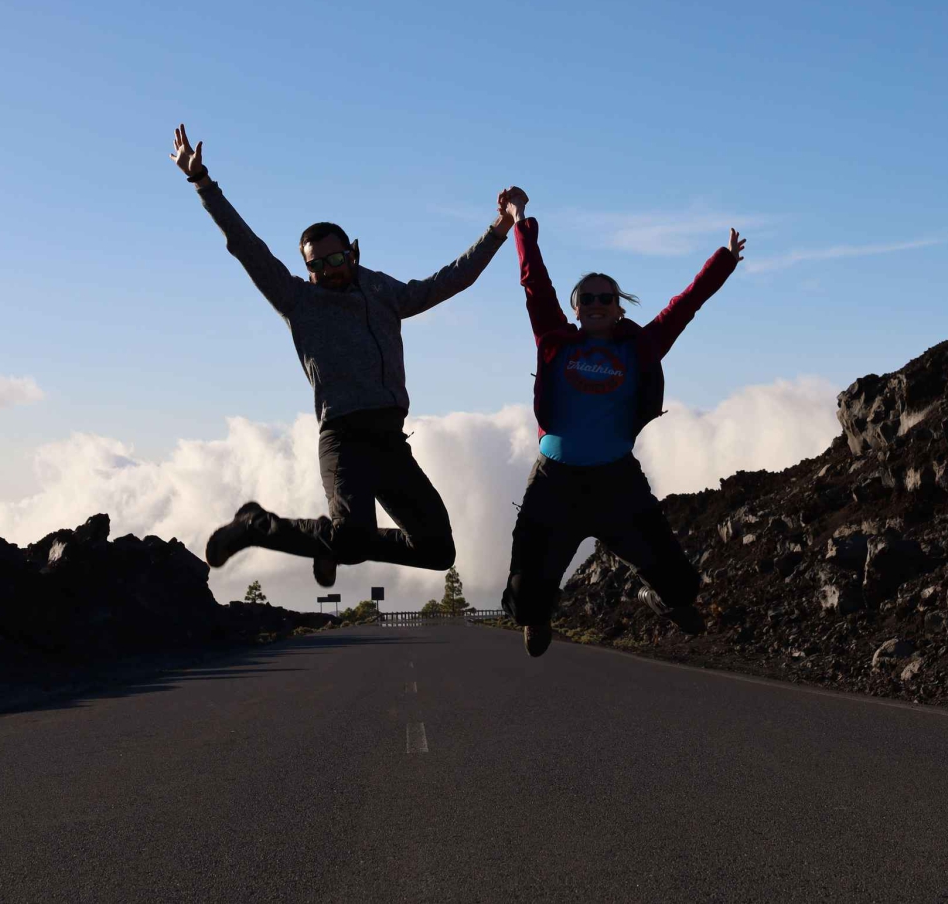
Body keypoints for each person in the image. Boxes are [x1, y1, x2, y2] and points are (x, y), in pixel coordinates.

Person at [169, 124, 522, 587]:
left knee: (438, 550)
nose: (328, 271)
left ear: (351, 254)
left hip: (389, 440)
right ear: (307, 269)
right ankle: (257, 525)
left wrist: (501, 227)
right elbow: (246, 247)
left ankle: (331, 541)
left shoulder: (383, 293)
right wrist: (202, 182)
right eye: (316, 265)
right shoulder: (298, 301)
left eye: (335, 260)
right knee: (352, 538)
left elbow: (451, 279)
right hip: (343, 438)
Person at [498, 187, 745, 656]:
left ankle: (662, 601)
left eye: (605, 297)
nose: (596, 303)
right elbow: (534, 282)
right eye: (587, 297)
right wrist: (520, 219)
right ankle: (537, 615)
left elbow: (685, 305)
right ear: (575, 308)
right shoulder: (555, 340)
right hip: (554, 483)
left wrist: (724, 261)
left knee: (681, 584)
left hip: (617, 484)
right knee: (525, 597)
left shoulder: (641, 347)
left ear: (619, 307)